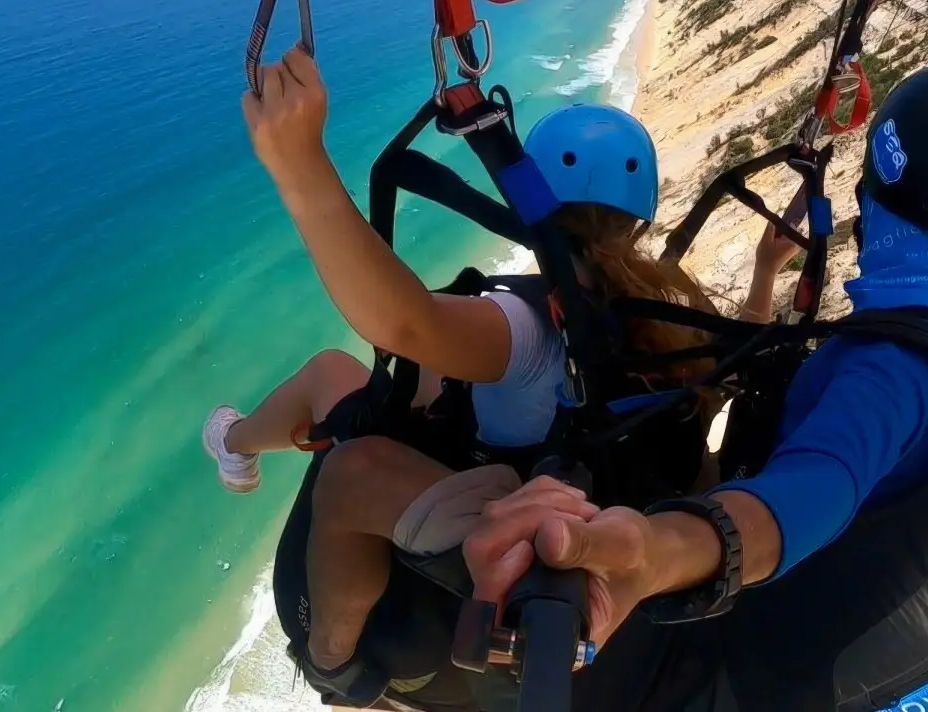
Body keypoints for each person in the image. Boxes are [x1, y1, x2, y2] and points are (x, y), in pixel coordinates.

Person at [206, 47, 801, 703]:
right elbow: (728, 364)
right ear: (640, 212)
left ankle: (332, 664)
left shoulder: (530, 324)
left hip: (531, 517)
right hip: (618, 498)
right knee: (346, 377)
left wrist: (302, 171)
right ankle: (234, 447)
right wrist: (767, 272)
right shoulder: (667, 309)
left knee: (352, 462)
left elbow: (403, 325)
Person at [461, 64, 928, 710]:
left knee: (498, 660)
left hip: (747, 652)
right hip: (825, 607)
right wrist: (767, 269)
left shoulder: (888, 372)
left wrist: (656, 552)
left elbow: (807, 494)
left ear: (871, 184)